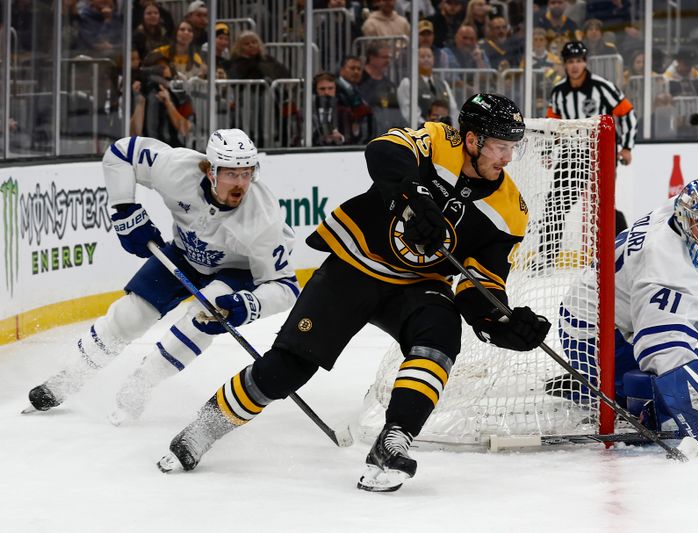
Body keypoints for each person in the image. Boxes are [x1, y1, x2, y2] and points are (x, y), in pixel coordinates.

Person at [155, 94, 551, 492]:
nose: (507, 158)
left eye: (511, 147)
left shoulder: (510, 211)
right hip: (356, 262)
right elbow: (383, 151)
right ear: (472, 139)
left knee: (440, 338)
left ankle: (393, 440)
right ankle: (202, 429)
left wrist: (500, 322)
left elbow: (479, 284)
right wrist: (414, 197)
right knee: (287, 369)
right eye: (500, 146)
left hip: (419, 286)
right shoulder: (436, 140)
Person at [26, 129, 300, 424]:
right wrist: (124, 208)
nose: (241, 184)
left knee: (199, 319)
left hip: (236, 271)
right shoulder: (176, 168)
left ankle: (140, 385)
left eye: (247, 173)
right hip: (183, 252)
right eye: (232, 174)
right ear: (210, 170)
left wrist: (249, 304)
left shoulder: (263, 220)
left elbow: (285, 286)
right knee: (130, 315)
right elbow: (121, 153)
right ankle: (71, 375)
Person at [553, 178, 698, 451]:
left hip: (613, 308)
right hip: (591, 335)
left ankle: (594, 383)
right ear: (685, 219)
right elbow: (660, 344)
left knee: (697, 368)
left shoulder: (677, 215)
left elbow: (690, 273)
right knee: (663, 387)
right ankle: (591, 382)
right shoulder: (658, 263)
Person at [541, 40, 636, 268]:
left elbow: (628, 113)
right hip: (571, 155)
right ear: (564, 64)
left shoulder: (602, 86)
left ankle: (622, 250)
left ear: (585, 62)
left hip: (600, 154)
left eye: (579, 61)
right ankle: (546, 258)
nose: (575, 66)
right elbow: (552, 125)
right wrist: (547, 150)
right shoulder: (559, 92)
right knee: (555, 204)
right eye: (570, 62)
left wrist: (626, 147)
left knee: (603, 205)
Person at [397, 46, 459, 127]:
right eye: (422, 57)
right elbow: (409, 113)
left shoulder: (443, 84)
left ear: (433, 60)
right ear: (415, 60)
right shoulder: (408, 83)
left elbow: (453, 109)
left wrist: (452, 129)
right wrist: (427, 127)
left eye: (429, 56)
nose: (426, 59)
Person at [311, 72, 347, 146]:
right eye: (322, 89)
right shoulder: (307, 112)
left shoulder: (345, 111)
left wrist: (341, 138)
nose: (326, 92)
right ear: (315, 91)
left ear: (336, 90)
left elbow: (352, 137)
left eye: (330, 88)